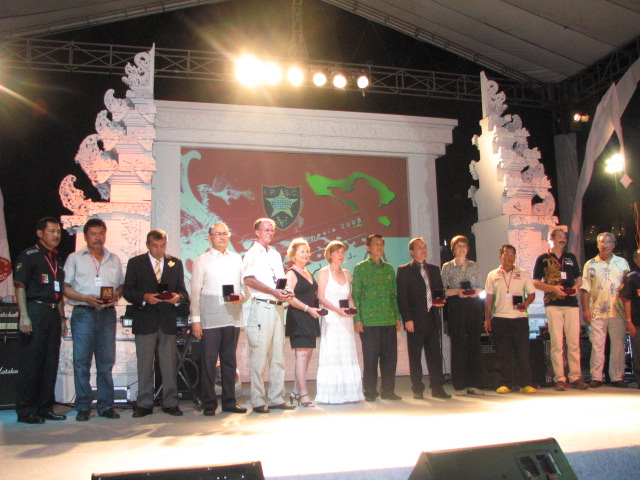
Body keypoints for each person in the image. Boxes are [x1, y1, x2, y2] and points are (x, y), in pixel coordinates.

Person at [122, 229, 189, 418]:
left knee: (169, 364)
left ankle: (170, 402)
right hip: (145, 320)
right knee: (144, 364)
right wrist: (145, 297)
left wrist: (177, 298)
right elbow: (127, 291)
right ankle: (144, 403)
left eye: (162, 246)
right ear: (147, 245)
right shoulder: (136, 263)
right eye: (155, 246)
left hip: (167, 321)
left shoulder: (175, 263)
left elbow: (183, 292)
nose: (159, 250)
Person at [63, 218, 124, 421]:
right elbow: (65, 288)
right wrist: (84, 298)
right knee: (82, 362)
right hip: (83, 313)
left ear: (105, 235)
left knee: (106, 362)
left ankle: (106, 406)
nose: (98, 238)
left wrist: (116, 295)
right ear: (86, 236)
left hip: (107, 314)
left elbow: (121, 286)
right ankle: (83, 406)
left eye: (101, 234)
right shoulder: (75, 258)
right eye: (93, 234)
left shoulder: (114, 259)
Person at [13, 217, 67, 424]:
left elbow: (58, 293)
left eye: (58, 232)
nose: (56, 235)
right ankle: (26, 410)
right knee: (32, 362)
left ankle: (45, 408)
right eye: (52, 231)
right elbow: (20, 286)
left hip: (53, 313)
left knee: (50, 362)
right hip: (34, 310)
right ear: (40, 233)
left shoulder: (57, 260)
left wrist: (62, 318)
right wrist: (24, 315)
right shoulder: (29, 256)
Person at [190, 222, 248, 416]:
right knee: (208, 362)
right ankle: (209, 403)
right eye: (217, 234)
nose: (222, 237)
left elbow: (245, 286)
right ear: (209, 238)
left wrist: (242, 297)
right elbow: (195, 294)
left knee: (229, 361)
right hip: (210, 319)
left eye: (225, 233)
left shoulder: (237, 259)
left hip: (232, 317)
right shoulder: (202, 261)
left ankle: (230, 401)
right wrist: (196, 320)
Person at [242, 218, 295, 413]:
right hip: (262, 307)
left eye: (272, 230)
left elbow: (280, 280)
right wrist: (273, 291)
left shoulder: (275, 254)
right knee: (259, 356)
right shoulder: (251, 254)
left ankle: (276, 397)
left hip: (278, 308)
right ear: (256, 232)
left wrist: (287, 290)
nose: (270, 233)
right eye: (266, 230)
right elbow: (249, 280)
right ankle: (257, 400)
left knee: (278, 355)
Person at [532, 227, 589, 391]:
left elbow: (579, 278)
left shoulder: (570, 257)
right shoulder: (542, 258)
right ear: (551, 239)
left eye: (564, 236)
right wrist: (553, 288)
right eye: (559, 236)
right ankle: (559, 378)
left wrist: (576, 288)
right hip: (553, 304)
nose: (563, 239)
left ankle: (575, 377)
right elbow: (535, 281)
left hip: (571, 304)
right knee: (557, 343)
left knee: (574, 343)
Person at [397, 237, 451, 399]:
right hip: (414, 320)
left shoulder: (434, 269)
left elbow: (439, 290)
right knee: (415, 356)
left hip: (432, 317)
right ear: (412, 251)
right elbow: (402, 297)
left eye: (425, 247)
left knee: (434, 355)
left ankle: (437, 388)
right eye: (419, 247)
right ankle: (417, 389)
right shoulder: (404, 270)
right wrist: (407, 319)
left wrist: (440, 300)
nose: (423, 250)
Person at [352, 233, 402, 402]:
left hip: (388, 319)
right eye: (375, 244)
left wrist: (397, 317)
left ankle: (388, 390)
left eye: (381, 244)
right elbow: (356, 295)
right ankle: (370, 391)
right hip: (369, 321)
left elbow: (394, 295)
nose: (379, 247)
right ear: (368, 247)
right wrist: (357, 319)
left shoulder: (389, 269)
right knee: (371, 358)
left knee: (389, 359)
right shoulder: (360, 268)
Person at [315, 241, 364, 404]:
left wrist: (352, 307)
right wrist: (337, 310)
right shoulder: (324, 272)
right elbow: (320, 297)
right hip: (331, 318)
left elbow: (348, 296)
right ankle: (332, 394)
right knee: (333, 353)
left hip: (345, 319)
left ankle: (350, 393)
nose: (341, 255)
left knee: (346, 353)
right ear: (330, 254)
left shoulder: (347, 273)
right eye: (337, 252)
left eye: (342, 252)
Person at [484, 244, 537, 394]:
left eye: (512, 254)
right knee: (503, 353)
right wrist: (487, 319)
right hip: (500, 318)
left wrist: (526, 303)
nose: (510, 257)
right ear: (500, 256)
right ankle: (506, 383)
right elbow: (489, 298)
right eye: (506, 254)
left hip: (519, 318)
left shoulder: (523, 273)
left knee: (522, 353)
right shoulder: (492, 275)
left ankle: (525, 383)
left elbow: (532, 294)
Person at [581, 232, 629, 388]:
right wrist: (585, 310)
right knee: (597, 345)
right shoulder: (590, 264)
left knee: (618, 345)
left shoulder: (622, 263)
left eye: (609, 242)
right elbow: (585, 289)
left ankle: (617, 377)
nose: (605, 245)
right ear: (597, 244)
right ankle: (596, 377)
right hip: (597, 310)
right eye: (602, 242)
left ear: (614, 245)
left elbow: (628, 288)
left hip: (618, 310)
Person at [441, 235, 484, 396]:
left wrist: (475, 292)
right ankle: (459, 385)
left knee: (474, 343)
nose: (461, 249)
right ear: (453, 249)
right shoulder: (447, 267)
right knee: (458, 343)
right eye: (458, 246)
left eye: (464, 246)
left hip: (473, 305)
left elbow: (480, 286)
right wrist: (457, 291)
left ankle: (475, 383)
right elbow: (442, 290)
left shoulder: (474, 265)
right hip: (456, 305)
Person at [284, 237, 322, 407]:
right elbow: (289, 298)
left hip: (310, 317)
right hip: (298, 318)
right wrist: (307, 309)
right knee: (301, 355)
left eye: (307, 251)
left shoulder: (308, 272)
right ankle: (304, 395)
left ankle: (295, 391)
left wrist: (317, 308)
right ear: (293, 255)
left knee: (307, 356)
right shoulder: (291, 273)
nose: (306, 254)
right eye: (302, 252)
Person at [620, 249, 640, 388]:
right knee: (638, 352)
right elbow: (626, 300)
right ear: (636, 259)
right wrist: (629, 321)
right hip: (637, 321)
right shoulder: (632, 276)